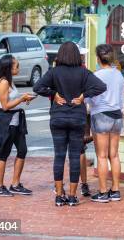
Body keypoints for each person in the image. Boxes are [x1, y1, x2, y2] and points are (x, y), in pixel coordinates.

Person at [33, 41, 106, 207]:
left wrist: (53, 93)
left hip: (58, 117)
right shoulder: (83, 72)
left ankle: (59, 195)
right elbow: (101, 86)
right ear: (76, 55)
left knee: (59, 156)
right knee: (74, 156)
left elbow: (38, 87)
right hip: (77, 118)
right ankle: (73, 196)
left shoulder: (54, 72)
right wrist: (83, 96)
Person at [0, 55, 35, 196]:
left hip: (16, 121)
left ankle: (15, 184)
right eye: (16, 66)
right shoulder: (3, 83)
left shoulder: (10, 82)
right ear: (8, 68)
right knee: (4, 153)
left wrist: (23, 97)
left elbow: (11, 100)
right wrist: (21, 99)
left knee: (22, 150)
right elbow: (5, 106)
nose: (18, 68)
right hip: (7, 122)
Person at [88, 44, 124, 203]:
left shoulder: (96, 75)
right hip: (117, 115)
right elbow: (121, 98)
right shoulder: (118, 75)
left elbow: (90, 99)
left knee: (101, 156)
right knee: (114, 155)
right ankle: (115, 190)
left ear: (98, 58)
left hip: (101, 114)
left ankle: (102, 192)